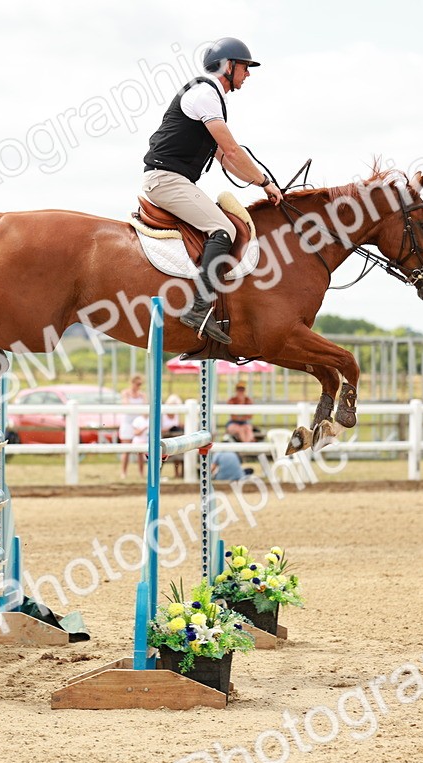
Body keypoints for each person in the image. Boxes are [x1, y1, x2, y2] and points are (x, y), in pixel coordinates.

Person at [141, 37, 284, 346]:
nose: (248, 74)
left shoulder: (212, 97)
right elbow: (232, 150)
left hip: (173, 178)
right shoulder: (205, 93)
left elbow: (222, 156)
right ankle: (198, 308)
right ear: (228, 66)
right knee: (221, 227)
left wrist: (261, 180)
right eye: (245, 67)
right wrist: (264, 183)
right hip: (166, 179)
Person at [119, 374, 147, 478]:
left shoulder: (142, 395)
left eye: (140, 384)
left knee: (140, 450)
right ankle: (123, 472)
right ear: (132, 383)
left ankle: (141, 473)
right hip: (127, 423)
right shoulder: (125, 393)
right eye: (138, 384)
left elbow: (145, 408)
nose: (139, 386)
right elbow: (126, 405)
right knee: (126, 450)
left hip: (138, 423)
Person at [161, 392, 185, 479]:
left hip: (175, 438)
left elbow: (178, 424)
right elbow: (160, 429)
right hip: (165, 438)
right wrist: (169, 428)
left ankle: (178, 473)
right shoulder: (163, 415)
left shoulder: (176, 415)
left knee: (180, 451)